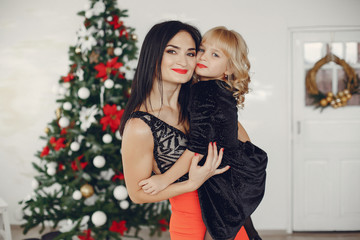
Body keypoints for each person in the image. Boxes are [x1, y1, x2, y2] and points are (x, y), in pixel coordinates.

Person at [139, 26, 268, 240]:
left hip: (228, 173)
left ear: (228, 69)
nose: (203, 57)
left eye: (215, 54)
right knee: (237, 226)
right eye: (201, 50)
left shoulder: (203, 91)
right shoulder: (219, 89)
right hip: (243, 170)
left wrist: (164, 179)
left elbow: (197, 147)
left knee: (217, 228)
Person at [119, 21, 229, 239]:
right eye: (172, 51)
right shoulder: (139, 126)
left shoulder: (201, 105)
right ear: (153, 55)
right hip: (191, 226)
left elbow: (243, 146)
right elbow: (137, 195)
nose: (184, 61)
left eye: (190, 53)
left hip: (232, 221)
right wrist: (191, 183)